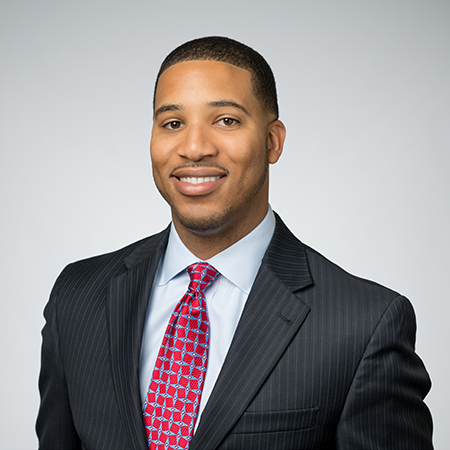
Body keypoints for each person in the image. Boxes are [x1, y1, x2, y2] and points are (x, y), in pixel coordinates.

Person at [36, 36, 433, 450]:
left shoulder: (364, 324)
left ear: (272, 141)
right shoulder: (77, 296)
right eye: (173, 123)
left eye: (226, 120)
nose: (194, 148)